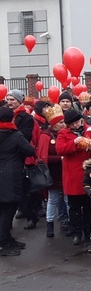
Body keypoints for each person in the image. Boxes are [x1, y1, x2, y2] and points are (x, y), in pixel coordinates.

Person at [56, 108, 91, 245]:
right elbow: (60, 149)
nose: (76, 126)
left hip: (89, 174)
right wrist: (74, 143)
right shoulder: (63, 133)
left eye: (77, 122)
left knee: (89, 206)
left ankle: (88, 232)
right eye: (72, 124)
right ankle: (76, 232)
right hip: (72, 175)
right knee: (74, 207)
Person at [0, 107, 36, 256]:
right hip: (10, 176)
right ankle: (3, 243)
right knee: (8, 210)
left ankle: (7, 239)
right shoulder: (15, 135)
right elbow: (29, 151)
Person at [36, 105, 70, 238]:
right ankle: (50, 224)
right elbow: (43, 157)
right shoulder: (45, 136)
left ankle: (68, 221)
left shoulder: (65, 133)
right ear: (54, 124)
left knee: (67, 199)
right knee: (53, 199)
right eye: (61, 122)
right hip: (52, 173)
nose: (63, 124)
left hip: (65, 171)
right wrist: (60, 157)